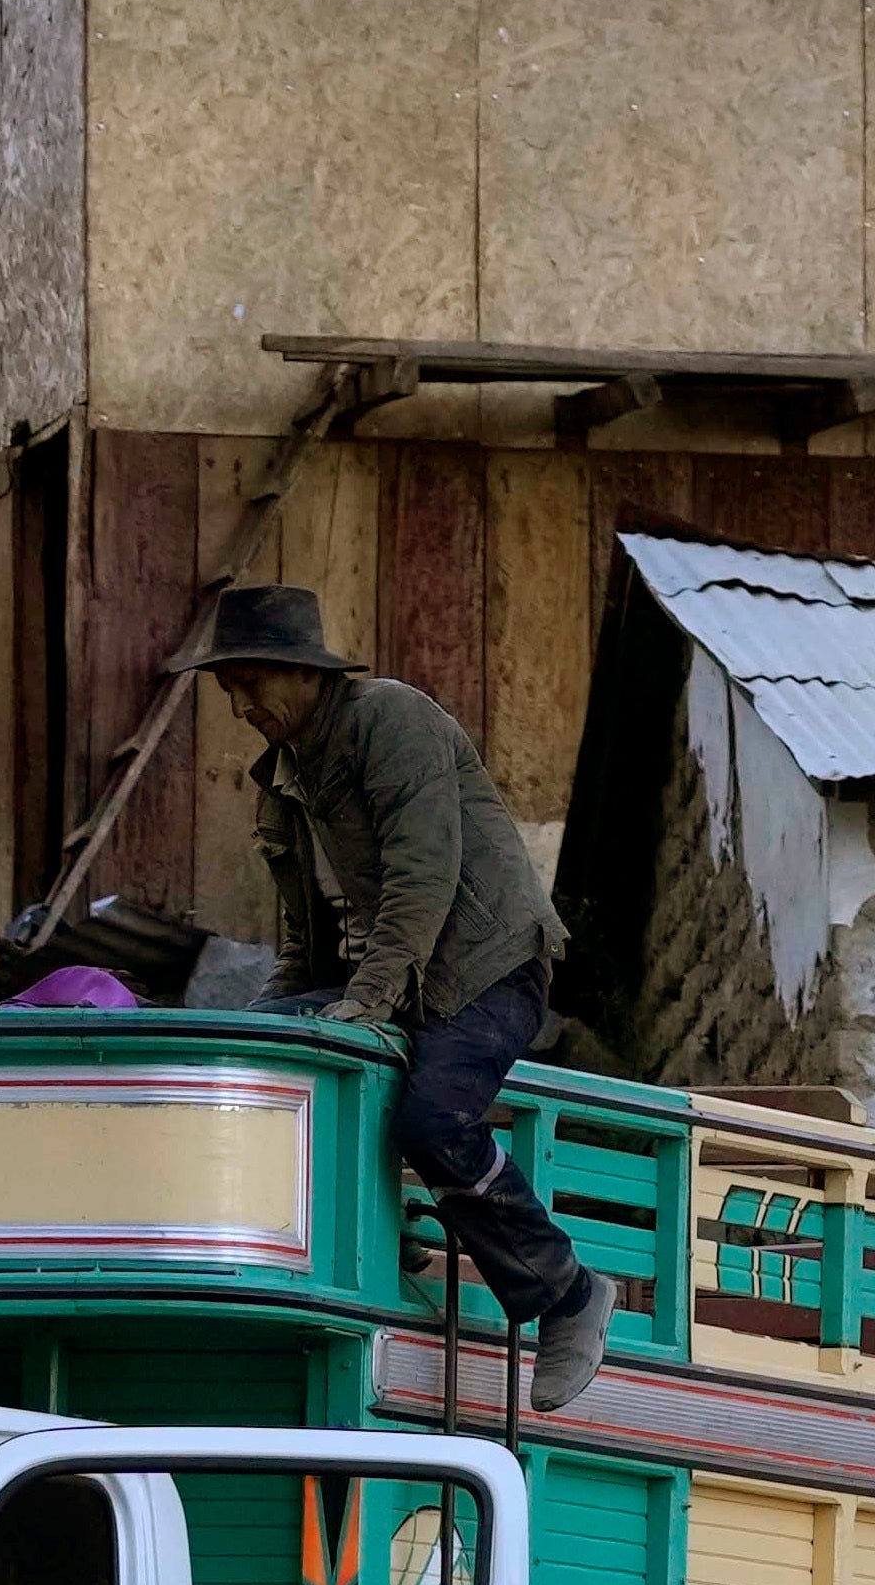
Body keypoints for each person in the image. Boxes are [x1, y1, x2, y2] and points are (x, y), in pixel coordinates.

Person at [207, 580, 617, 1405]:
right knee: (258, 1057)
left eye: (252, 684)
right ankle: (379, 1226)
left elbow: (421, 879)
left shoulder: (390, 721)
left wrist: (363, 1002)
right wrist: (259, 1036)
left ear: (305, 673)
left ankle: (568, 1293)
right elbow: (301, 942)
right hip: (396, 981)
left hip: (486, 969)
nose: (241, 706)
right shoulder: (283, 778)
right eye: (230, 691)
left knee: (435, 1119)